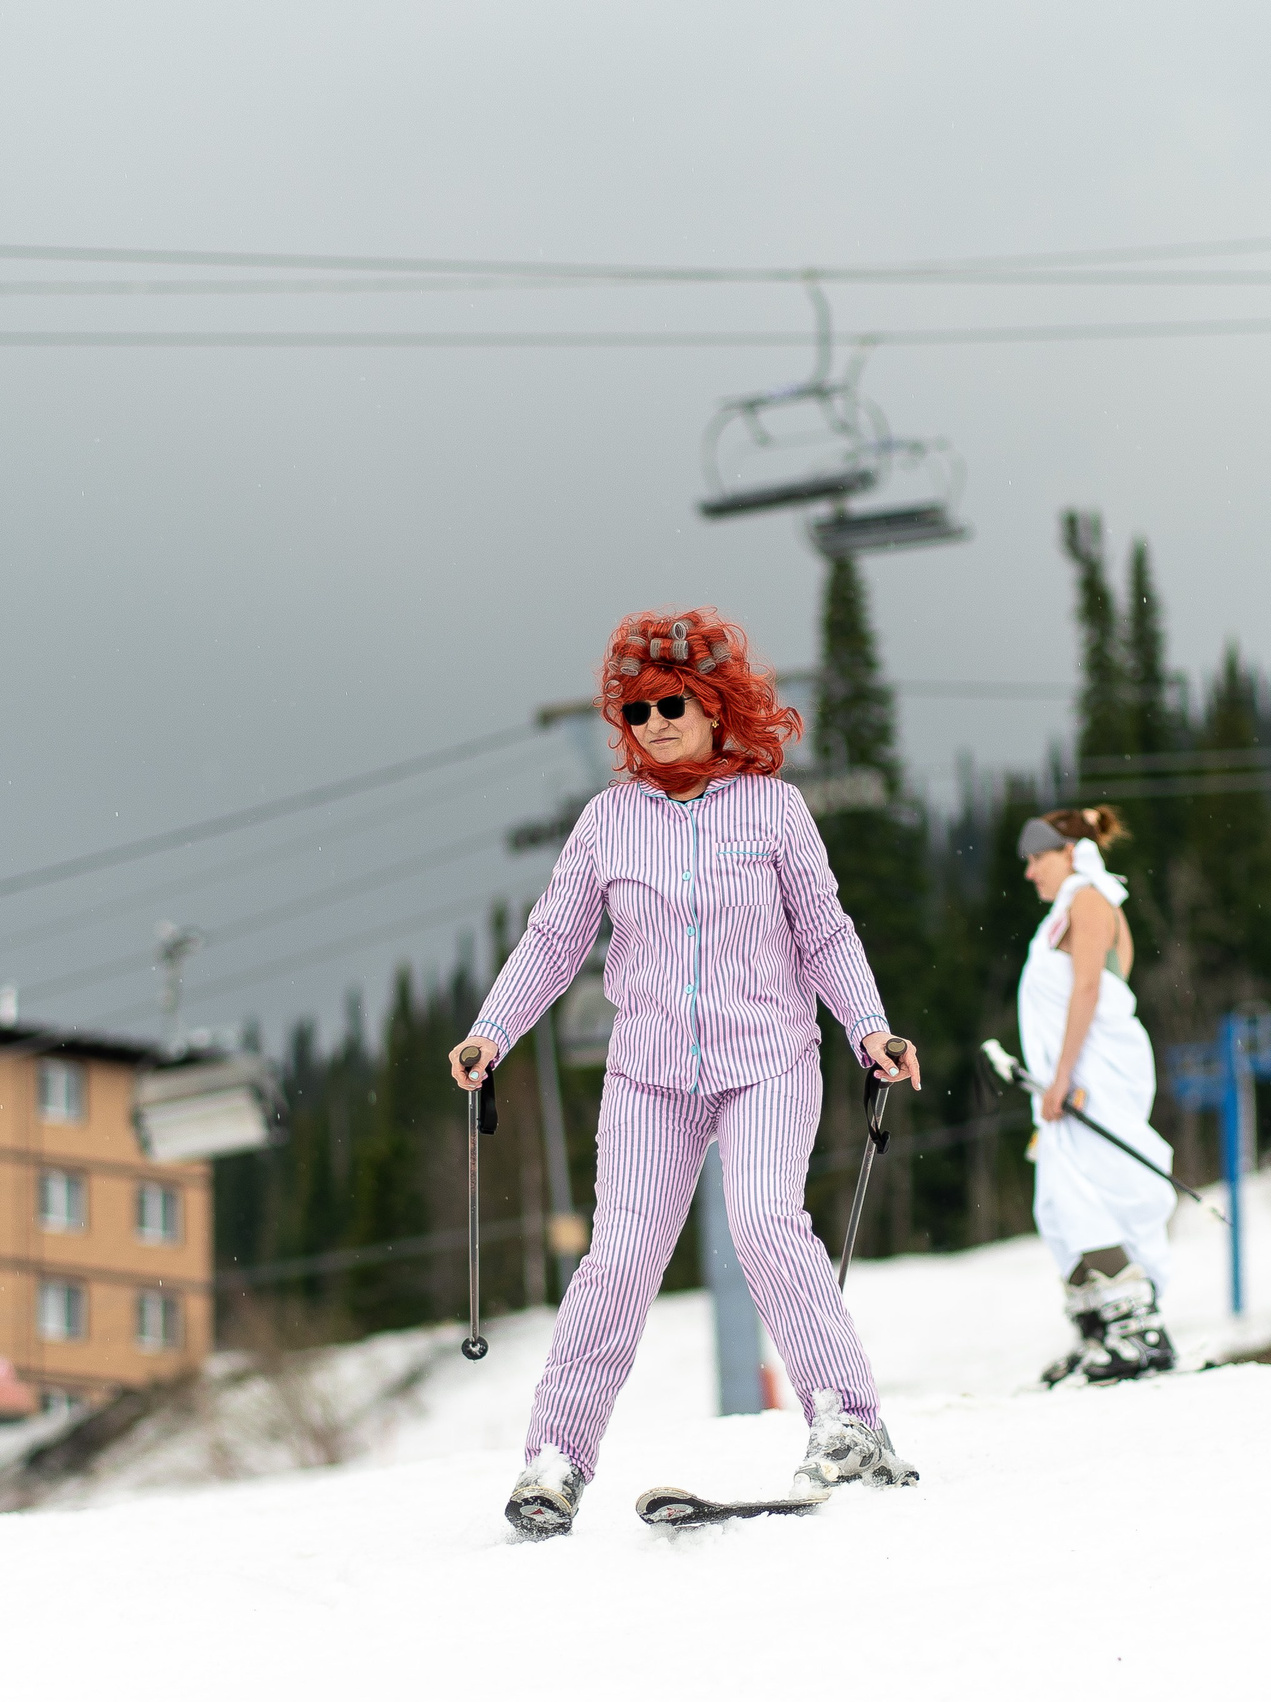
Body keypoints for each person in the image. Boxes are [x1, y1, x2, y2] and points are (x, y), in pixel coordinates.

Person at [448, 607, 924, 1535]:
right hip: (651, 1073)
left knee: (764, 1217)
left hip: (767, 1057)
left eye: (673, 704)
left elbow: (825, 932)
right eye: (637, 711)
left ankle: (849, 1420)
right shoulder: (608, 822)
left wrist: (869, 1027)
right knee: (620, 1253)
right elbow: (554, 939)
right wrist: (490, 1031)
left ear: (714, 707)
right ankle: (555, 1460)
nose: (655, 723)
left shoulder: (774, 810)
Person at [1014, 806, 1179, 1385]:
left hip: (1092, 1080)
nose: (1030, 871)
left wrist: (1062, 1076)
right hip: (1069, 1083)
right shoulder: (1066, 908)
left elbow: (1088, 987)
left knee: (1093, 1195)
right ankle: (1099, 1328)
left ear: (1069, 852)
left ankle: (1139, 1328)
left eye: (1038, 858)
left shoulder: (1088, 899)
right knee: (1059, 1204)